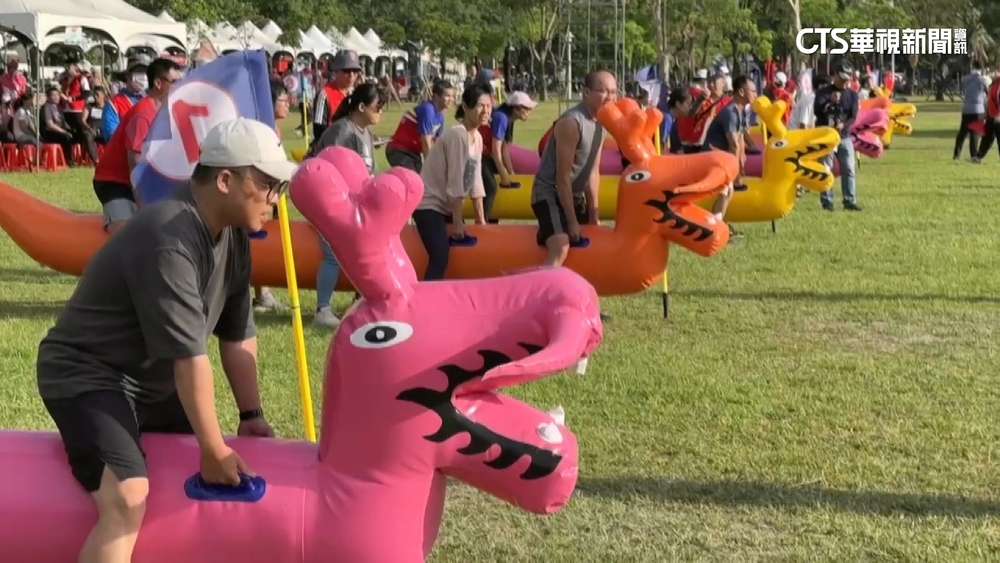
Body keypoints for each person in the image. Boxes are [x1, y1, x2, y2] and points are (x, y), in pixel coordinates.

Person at [36, 117, 292, 563]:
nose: (276, 199)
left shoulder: (234, 238)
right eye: (269, 184)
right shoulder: (168, 235)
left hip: (151, 383)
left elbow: (237, 336)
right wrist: (212, 450)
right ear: (226, 179)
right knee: (128, 498)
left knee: (183, 488)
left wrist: (251, 415)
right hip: (89, 373)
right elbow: (189, 357)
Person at [306, 83, 386, 325]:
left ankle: (361, 301)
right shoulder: (341, 131)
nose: (380, 112)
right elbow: (325, 168)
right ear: (361, 107)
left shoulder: (366, 134)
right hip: (330, 203)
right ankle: (322, 310)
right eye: (377, 108)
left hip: (354, 206)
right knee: (332, 254)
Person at [531, 70, 615, 268]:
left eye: (614, 92)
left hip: (574, 195)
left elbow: (593, 172)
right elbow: (562, 177)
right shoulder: (571, 122)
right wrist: (572, 221)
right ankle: (540, 293)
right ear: (586, 92)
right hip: (549, 193)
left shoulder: (602, 123)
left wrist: (594, 217)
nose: (610, 97)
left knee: (590, 241)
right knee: (561, 245)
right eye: (603, 91)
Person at [92, 58, 183, 234]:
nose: (181, 86)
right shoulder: (143, 114)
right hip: (114, 182)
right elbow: (135, 164)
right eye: (175, 82)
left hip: (142, 181)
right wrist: (142, 205)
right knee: (125, 235)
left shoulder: (167, 113)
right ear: (158, 83)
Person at [412, 84, 490, 281]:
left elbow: (475, 179)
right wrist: (457, 222)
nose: (486, 111)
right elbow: (455, 180)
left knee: (460, 255)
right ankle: (425, 305)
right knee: (440, 256)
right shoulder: (457, 135)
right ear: (465, 106)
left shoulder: (477, 138)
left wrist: (481, 219)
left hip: (446, 206)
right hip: (429, 205)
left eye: (489, 106)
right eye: (481, 106)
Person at [251, 79, 293, 313]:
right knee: (256, 240)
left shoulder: (274, 128)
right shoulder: (261, 128)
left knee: (265, 239)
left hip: (273, 191)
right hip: (259, 192)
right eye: (283, 100)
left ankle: (263, 293)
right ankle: (260, 294)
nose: (288, 104)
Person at [702, 74, 757, 237]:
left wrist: (742, 162)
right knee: (726, 191)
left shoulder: (739, 111)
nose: (755, 94)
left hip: (722, 158)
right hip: (713, 158)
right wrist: (735, 171)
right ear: (741, 91)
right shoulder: (730, 112)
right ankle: (714, 229)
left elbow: (740, 140)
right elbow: (733, 143)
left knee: (728, 191)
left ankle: (720, 225)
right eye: (753, 90)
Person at [479, 90, 537, 223]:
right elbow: (496, 151)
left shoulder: (510, 119)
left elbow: (505, 149)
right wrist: (504, 176)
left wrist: (511, 173)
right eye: (527, 108)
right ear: (516, 108)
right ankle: (484, 222)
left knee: (498, 183)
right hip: (479, 155)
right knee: (492, 186)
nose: (529, 111)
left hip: (488, 155)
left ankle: (493, 222)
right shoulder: (501, 118)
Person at [813, 63, 861, 211]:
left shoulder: (852, 95)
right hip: (826, 135)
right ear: (835, 76)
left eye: (848, 80)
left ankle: (849, 200)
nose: (846, 82)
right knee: (826, 168)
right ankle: (827, 201)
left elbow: (853, 117)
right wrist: (831, 102)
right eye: (843, 79)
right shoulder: (823, 93)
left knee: (848, 169)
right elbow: (817, 112)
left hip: (844, 136)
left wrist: (843, 126)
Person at [385, 79, 454, 172]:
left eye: (452, 96)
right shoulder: (428, 109)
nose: (451, 99)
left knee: (421, 180)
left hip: (413, 153)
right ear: (436, 96)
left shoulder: (441, 115)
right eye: (447, 96)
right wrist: (431, 167)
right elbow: (426, 141)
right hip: (399, 150)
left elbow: (436, 142)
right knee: (414, 179)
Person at [311, 50, 361, 140]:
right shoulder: (325, 94)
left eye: (355, 71)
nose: (351, 75)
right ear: (336, 71)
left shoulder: (357, 94)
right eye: (347, 71)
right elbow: (318, 131)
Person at [102, 57, 150, 140]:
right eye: (139, 71)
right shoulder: (113, 105)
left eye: (146, 72)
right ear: (127, 75)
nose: (143, 76)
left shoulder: (152, 101)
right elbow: (112, 137)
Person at [956, 61, 988, 162]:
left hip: (966, 108)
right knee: (974, 133)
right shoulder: (982, 80)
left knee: (962, 133)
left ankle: (956, 154)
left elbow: (962, 87)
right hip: (978, 109)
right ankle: (973, 155)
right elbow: (987, 91)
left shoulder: (965, 79)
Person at [39, 86, 75, 162]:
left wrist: (69, 129)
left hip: (60, 130)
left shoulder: (59, 107)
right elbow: (50, 124)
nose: (56, 97)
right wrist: (64, 132)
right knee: (66, 137)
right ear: (48, 97)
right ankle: (67, 160)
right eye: (53, 95)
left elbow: (63, 122)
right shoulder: (46, 107)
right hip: (50, 132)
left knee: (75, 134)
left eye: (58, 95)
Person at [974, 71, 1000, 162]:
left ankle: (979, 156)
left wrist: (998, 115)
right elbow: (989, 101)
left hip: (997, 117)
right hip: (991, 117)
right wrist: (985, 114)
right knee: (987, 138)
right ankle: (979, 156)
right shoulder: (993, 86)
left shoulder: (998, 86)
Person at [82, 86, 107, 164]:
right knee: (88, 136)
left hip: (104, 131)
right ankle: (96, 160)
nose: (95, 97)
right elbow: (83, 120)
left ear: (103, 95)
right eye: (94, 95)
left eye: (97, 95)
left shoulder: (108, 106)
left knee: (113, 137)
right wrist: (89, 128)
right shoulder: (89, 106)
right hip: (92, 130)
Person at [664, 88, 693, 154]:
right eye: (688, 104)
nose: (690, 107)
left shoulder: (674, 121)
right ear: (678, 104)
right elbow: (662, 145)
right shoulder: (667, 119)